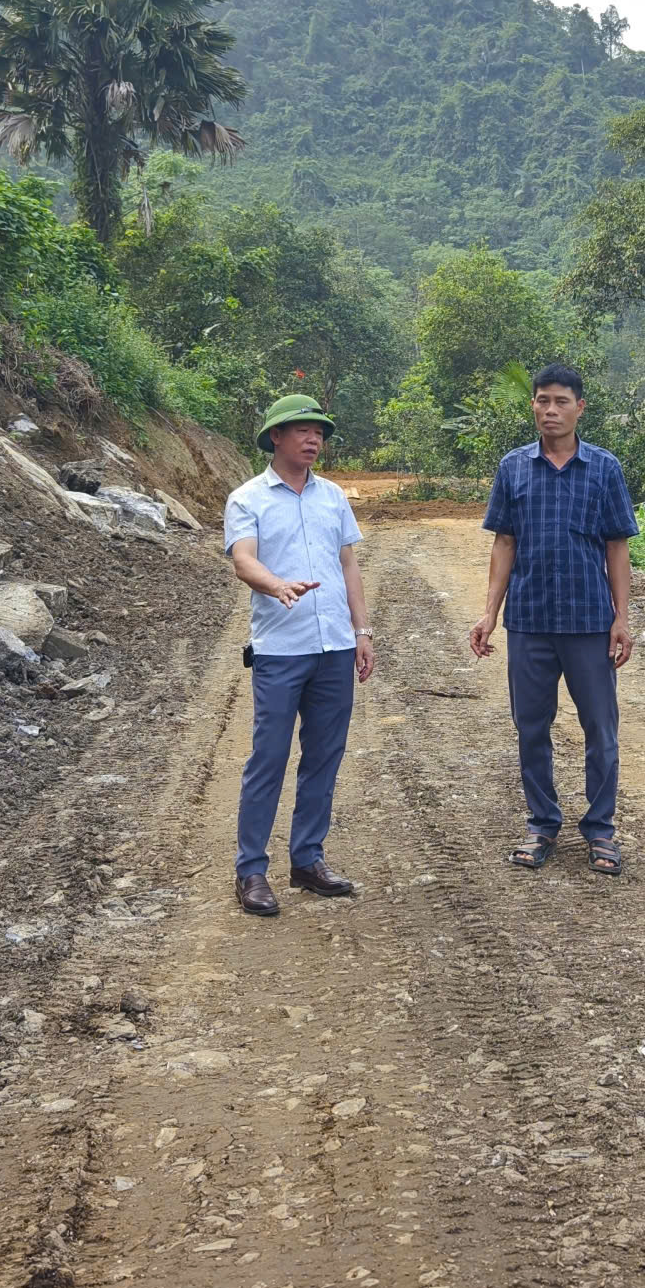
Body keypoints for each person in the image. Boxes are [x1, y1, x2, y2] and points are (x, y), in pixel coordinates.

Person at [470, 363, 638, 877]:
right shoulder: (513, 467)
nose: (550, 409)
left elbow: (617, 546)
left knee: (600, 729)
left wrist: (622, 618)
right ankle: (542, 822)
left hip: (589, 620)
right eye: (542, 400)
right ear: (533, 406)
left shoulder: (604, 468)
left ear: (580, 407)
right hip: (530, 620)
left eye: (561, 401)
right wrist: (490, 612)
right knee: (531, 727)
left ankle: (600, 829)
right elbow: (504, 541)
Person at [223, 393, 374, 918]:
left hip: (333, 646)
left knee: (324, 758)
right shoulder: (248, 498)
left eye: (320, 433)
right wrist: (277, 585)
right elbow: (244, 561)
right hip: (280, 650)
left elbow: (348, 565)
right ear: (276, 438)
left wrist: (362, 630)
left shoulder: (333, 496)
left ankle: (308, 860)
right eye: (302, 430)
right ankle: (251, 871)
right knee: (268, 757)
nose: (314, 440)